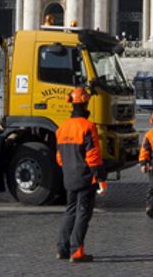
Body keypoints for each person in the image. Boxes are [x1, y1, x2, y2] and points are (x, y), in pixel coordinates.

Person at [55, 86, 105, 263]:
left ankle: (62, 248)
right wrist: (100, 177)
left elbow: (59, 157)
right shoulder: (88, 126)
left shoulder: (62, 128)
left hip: (69, 176)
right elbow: (93, 155)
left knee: (70, 211)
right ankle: (77, 251)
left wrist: (69, 169)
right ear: (85, 104)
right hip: (85, 176)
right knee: (83, 213)